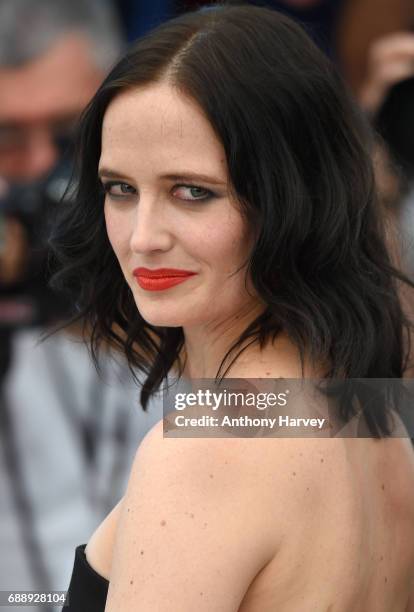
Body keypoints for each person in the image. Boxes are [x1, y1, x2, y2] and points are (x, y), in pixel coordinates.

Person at [52, 5, 414, 610]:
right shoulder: (374, 421)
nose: (143, 237)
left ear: (294, 199)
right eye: (120, 189)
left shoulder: (205, 452)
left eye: (192, 192)